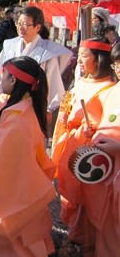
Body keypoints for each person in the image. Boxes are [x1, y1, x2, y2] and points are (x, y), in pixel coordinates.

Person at [0, 56, 56, 256]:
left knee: (14, 239)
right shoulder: (24, 108)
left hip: (16, 190)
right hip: (25, 184)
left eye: (4, 75)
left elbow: (0, 160)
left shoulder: (18, 121)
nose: (1, 80)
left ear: (13, 80)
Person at [51, 38, 116, 256]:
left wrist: (93, 130)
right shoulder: (80, 82)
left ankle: (84, 242)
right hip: (71, 144)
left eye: (84, 56)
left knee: (88, 201)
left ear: (99, 60)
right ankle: (74, 237)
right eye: (78, 56)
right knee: (68, 195)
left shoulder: (110, 89)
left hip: (91, 153)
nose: (78, 60)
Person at [0, 6, 72, 135]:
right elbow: (0, 76)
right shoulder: (10, 45)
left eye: (26, 24)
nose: (21, 27)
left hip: (31, 105)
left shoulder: (47, 53)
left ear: (37, 27)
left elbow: (50, 84)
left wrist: (47, 111)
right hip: (6, 100)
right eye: (19, 23)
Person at [84, 42, 120, 257]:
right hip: (108, 169)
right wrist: (94, 130)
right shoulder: (113, 90)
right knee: (106, 220)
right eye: (116, 64)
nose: (118, 69)